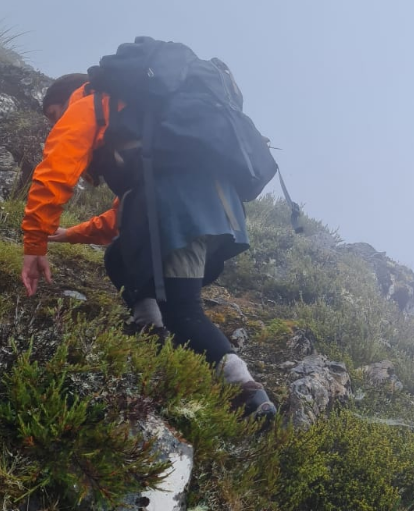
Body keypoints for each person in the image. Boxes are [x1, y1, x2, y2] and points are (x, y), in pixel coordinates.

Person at [21, 73, 276, 420]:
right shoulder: (145, 124)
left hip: (177, 210)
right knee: (118, 255)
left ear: (69, 97)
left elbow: (54, 173)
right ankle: (151, 330)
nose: (55, 123)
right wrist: (68, 234)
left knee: (184, 312)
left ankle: (250, 397)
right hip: (218, 212)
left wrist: (34, 242)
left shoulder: (87, 104)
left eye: (54, 114)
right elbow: (126, 214)